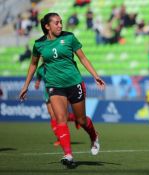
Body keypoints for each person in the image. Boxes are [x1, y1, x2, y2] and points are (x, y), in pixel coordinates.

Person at [19, 12, 105, 169]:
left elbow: (83, 58)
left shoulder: (70, 37)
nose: (60, 25)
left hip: (74, 83)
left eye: (61, 22)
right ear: (47, 26)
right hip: (54, 86)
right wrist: (26, 86)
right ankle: (68, 155)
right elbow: (33, 64)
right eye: (56, 23)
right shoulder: (39, 44)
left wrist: (95, 76)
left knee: (81, 120)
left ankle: (94, 135)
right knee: (60, 119)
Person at [34, 63, 82, 146]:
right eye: (41, 55)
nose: (42, 57)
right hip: (48, 93)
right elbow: (38, 78)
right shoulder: (40, 69)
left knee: (62, 116)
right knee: (53, 115)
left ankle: (75, 119)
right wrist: (37, 83)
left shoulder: (56, 65)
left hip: (60, 92)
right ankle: (60, 137)